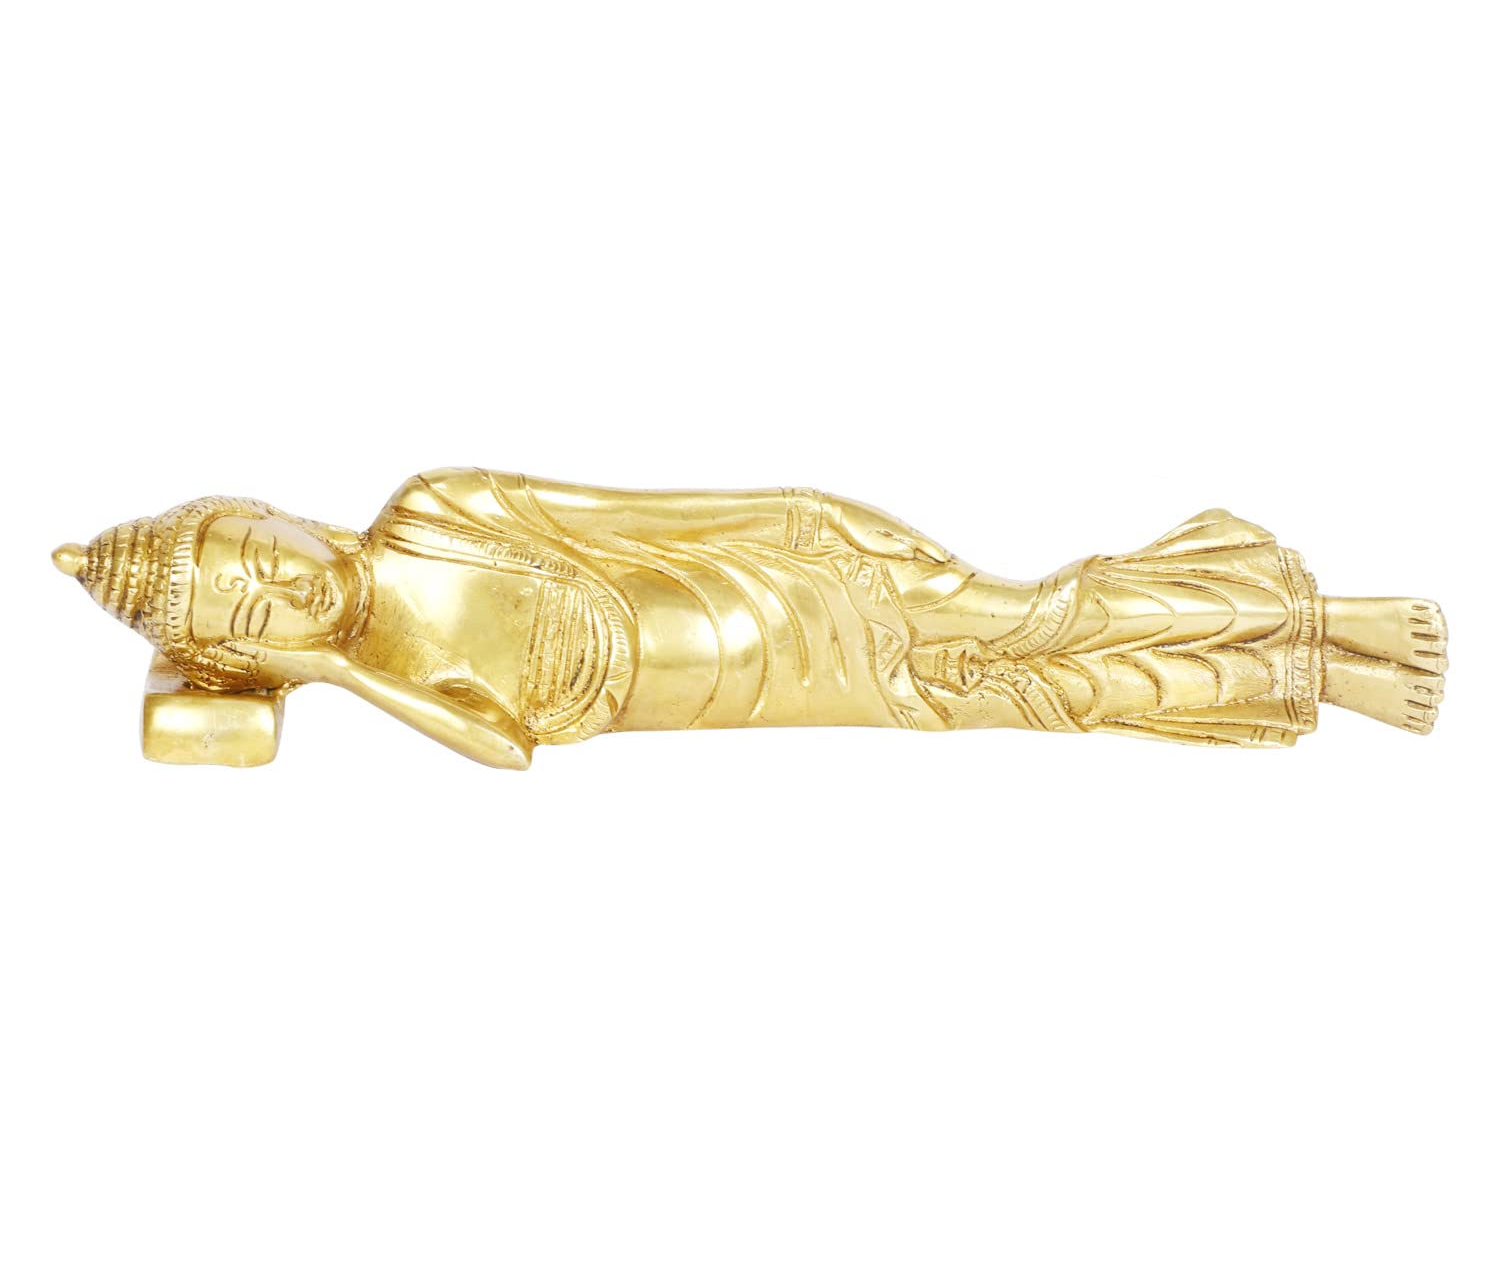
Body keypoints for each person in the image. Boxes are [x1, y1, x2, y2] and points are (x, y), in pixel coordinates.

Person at [52, 470, 1446, 766]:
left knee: (1034, 614)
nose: (284, 579)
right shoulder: (392, 671)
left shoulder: (431, 515)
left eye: (260, 548)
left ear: (282, 510)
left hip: (781, 581)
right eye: (251, 605)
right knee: (1010, 694)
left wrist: (803, 518)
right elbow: (506, 749)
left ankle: (1329, 621)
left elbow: (627, 516)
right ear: (246, 648)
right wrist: (329, 674)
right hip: (770, 686)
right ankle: (1300, 675)